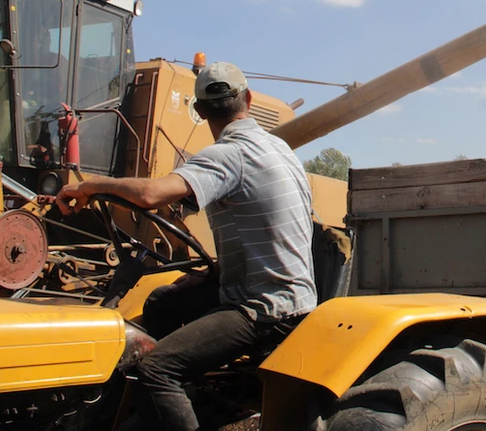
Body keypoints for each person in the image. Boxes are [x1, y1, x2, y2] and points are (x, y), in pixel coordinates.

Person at [55, 62, 316, 431]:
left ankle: (165, 394)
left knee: (156, 368)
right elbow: (276, 233)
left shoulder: (228, 155)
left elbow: (149, 194)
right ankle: (165, 410)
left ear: (199, 110)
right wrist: (213, 275)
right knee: (164, 300)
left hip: (264, 309)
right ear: (249, 99)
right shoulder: (282, 150)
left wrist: (89, 186)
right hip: (291, 292)